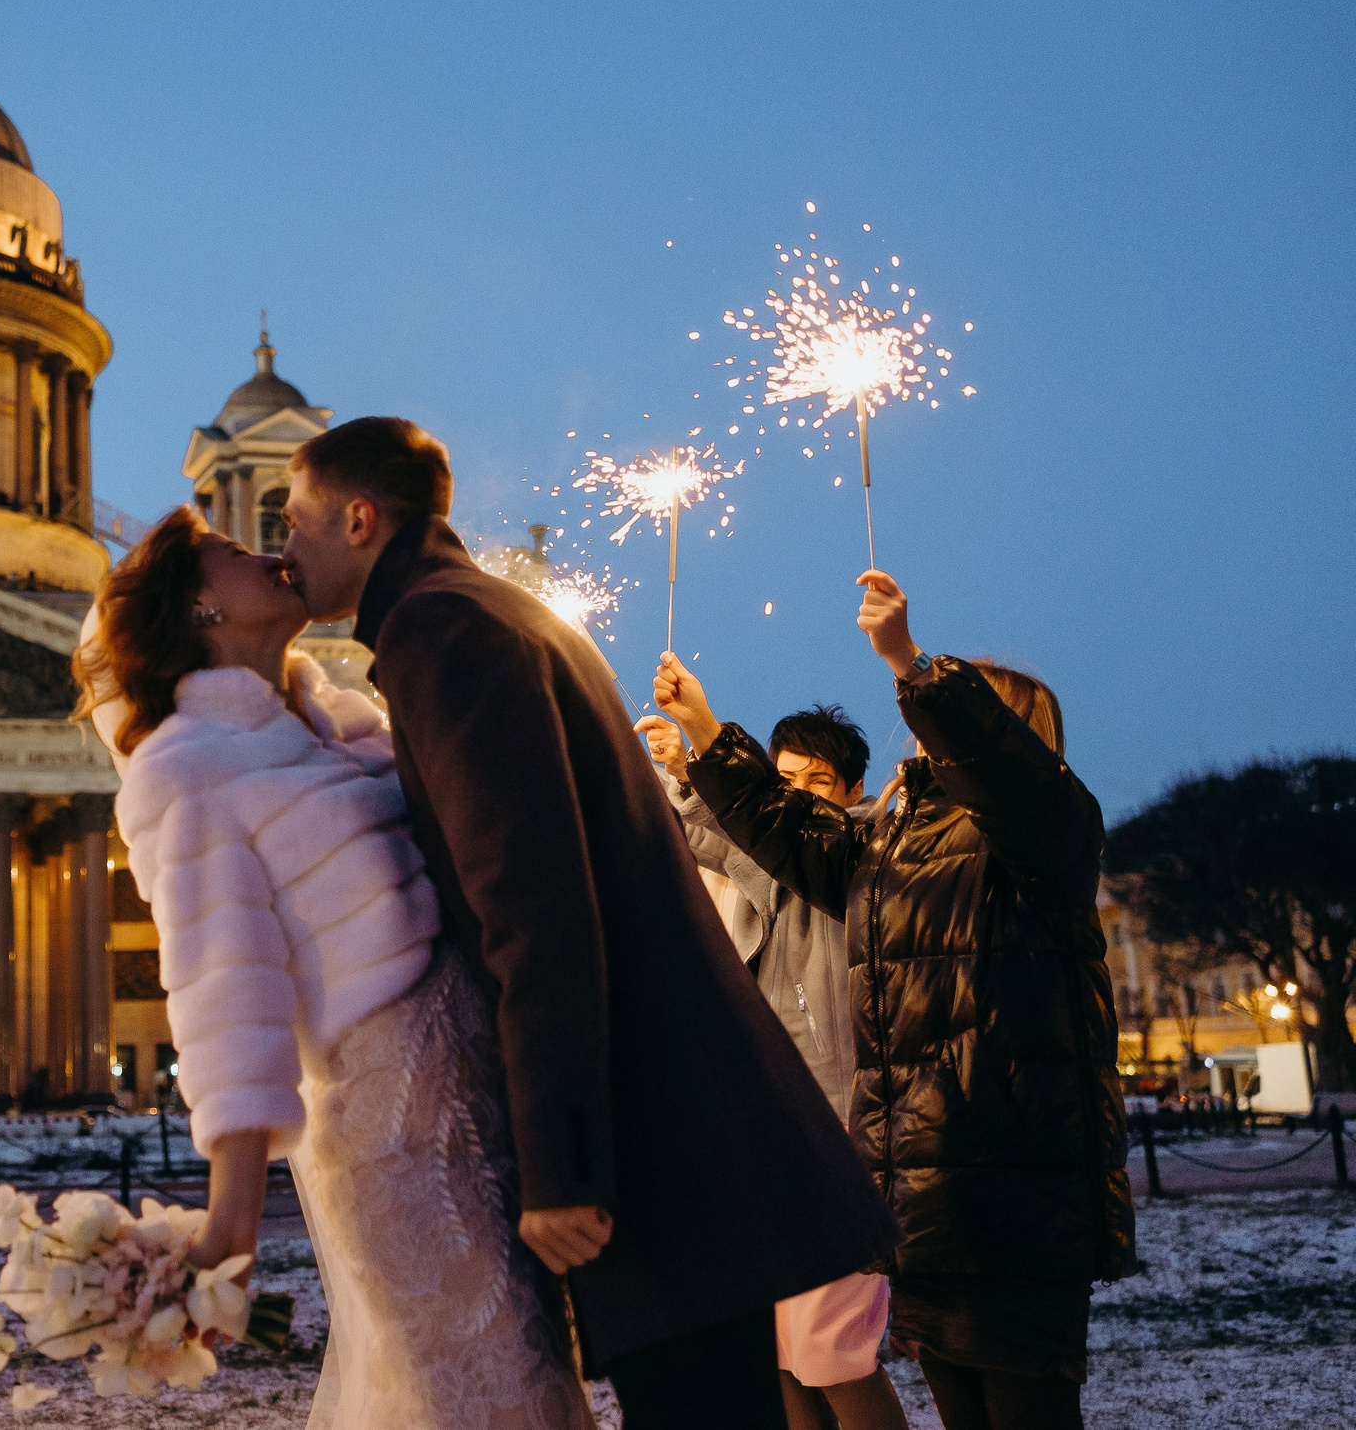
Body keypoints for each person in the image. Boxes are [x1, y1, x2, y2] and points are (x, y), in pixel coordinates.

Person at [278, 417, 899, 1430]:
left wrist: (563, 1164)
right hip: (686, 1115)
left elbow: (534, 907)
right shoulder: (486, 612)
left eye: (292, 519)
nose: (281, 547)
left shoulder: (438, 631)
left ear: (358, 518)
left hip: (653, 1134)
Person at [76, 508, 595, 1430]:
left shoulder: (349, 720)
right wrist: (231, 1216)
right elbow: (223, 987)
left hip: (483, 1093)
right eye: (232, 553)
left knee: (539, 1378)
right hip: (391, 1129)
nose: (267, 551)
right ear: (198, 606)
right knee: (483, 1390)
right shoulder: (183, 767)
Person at [655, 572, 1137, 1430]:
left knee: (1023, 1410)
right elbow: (785, 833)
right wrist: (703, 730)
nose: (914, 731)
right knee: (957, 1401)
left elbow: (1002, 772)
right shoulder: (892, 851)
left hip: (1016, 1192)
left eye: (945, 720)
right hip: (921, 1190)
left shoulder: (1045, 835)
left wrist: (913, 664)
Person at [638, 704, 905, 1430]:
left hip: (847, 1129)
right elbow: (709, 835)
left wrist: (698, 744)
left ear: (853, 791)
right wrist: (682, 766)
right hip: (772, 1131)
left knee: (830, 1348)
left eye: (818, 781)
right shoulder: (772, 863)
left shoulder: (863, 856)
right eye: (782, 779)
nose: (796, 794)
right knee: (780, 1347)